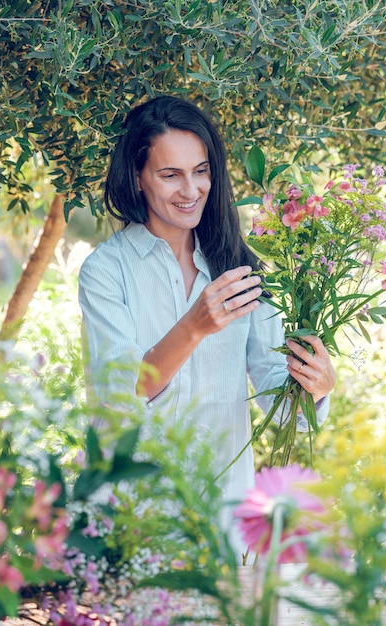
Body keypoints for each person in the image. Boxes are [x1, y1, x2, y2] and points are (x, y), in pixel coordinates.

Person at [78, 95, 336, 560]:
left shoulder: (238, 267)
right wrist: (194, 326)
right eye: (170, 174)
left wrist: (314, 386)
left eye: (201, 171)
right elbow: (120, 393)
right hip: (136, 516)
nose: (191, 189)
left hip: (225, 518)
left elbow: (277, 397)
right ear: (137, 178)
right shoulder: (105, 271)